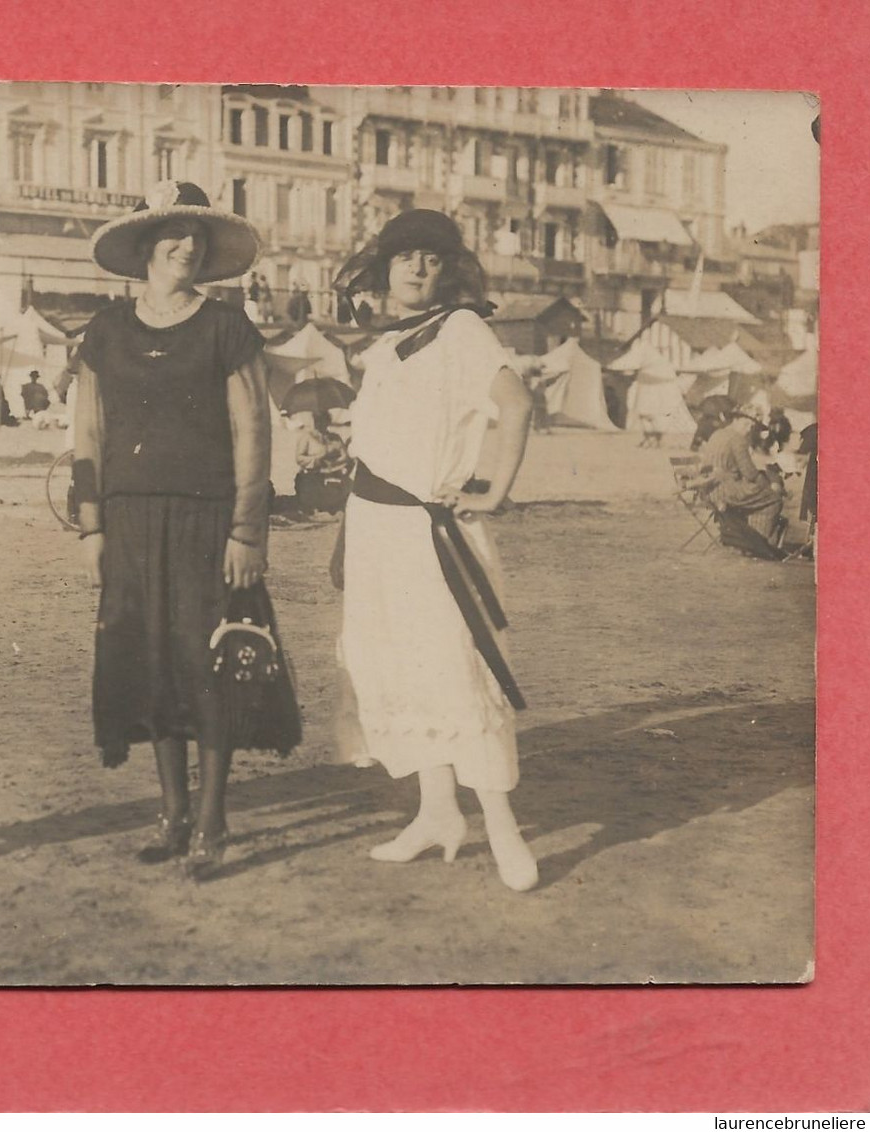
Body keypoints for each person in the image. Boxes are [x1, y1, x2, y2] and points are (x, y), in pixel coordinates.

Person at [75, 180, 300, 879]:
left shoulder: (227, 327)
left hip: (209, 522)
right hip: (130, 520)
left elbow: (253, 430)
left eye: (198, 237)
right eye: (174, 233)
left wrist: (247, 531)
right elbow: (87, 431)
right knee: (152, 665)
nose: (188, 246)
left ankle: (211, 822)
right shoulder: (106, 331)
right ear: (145, 245)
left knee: (208, 666)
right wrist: (91, 527)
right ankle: (171, 813)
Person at [331, 208, 540, 892]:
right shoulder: (386, 345)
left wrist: (493, 490)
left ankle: (504, 830)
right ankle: (436, 814)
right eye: (406, 257)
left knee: (456, 669)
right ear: (385, 267)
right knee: (394, 668)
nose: (419, 269)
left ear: (447, 269)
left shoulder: (462, 328)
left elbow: (516, 404)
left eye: (431, 258)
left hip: (431, 534)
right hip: (373, 531)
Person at [699, 411, 785, 541]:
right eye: (746, 424)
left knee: (758, 494)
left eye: (751, 427)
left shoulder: (717, 434)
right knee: (773, 499)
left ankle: (739, 536)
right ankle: (756, 542)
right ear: (735, 420)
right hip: (727, 491)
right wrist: (768, 486)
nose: (748, 429)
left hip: (710, 490)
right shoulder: (737, 439)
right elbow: (750, 473)